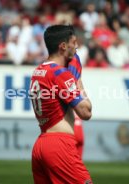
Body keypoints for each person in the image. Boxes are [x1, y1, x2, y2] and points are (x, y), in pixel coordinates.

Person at [30, 25, 93, 184]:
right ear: (63, 46)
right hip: (59, 146)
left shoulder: (38, 71)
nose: (76, 46)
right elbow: (85, 112)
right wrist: (77, 78)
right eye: (73, 42)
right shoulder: (60, 73)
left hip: (41, 144)